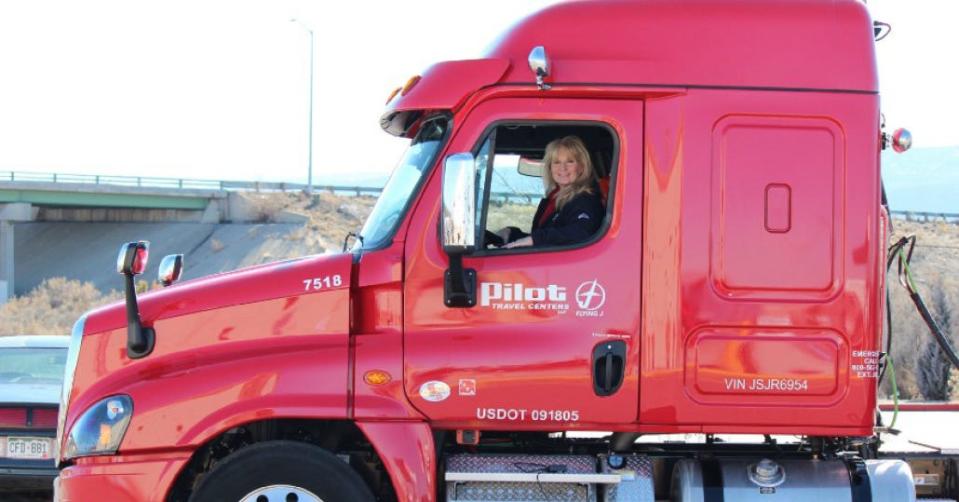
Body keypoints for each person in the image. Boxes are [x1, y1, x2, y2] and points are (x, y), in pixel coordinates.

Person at [492, 135, 604, 249]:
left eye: (570, 162)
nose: (563, 168)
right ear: (550, 168)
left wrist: (535, 239)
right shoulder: (554, 198)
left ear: (581, 167)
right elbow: (547, 237)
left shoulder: (585, 200)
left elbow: (580, 233)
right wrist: (512, 234)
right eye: (556, 162)